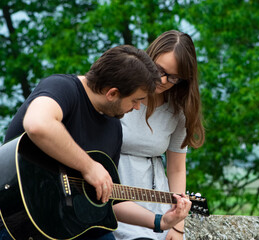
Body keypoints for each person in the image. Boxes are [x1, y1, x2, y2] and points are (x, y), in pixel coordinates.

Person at [0, 45, 192, 240]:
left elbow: (112, 200)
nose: (137, 107)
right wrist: (89, 167)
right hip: (19, 218)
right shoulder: (62, 87)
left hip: (71, 226)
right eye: (136, 100)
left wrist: (161, 222)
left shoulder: (114, 126)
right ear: (112, 94)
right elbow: (37, 124)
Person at [113, 30, 205, 240]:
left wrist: (177, 225)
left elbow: (176, 168)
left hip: (152, 201)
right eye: (159, 70)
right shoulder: (116, 92)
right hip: (108, 198)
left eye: (174, 78)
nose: (163, 80)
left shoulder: (178, 112)